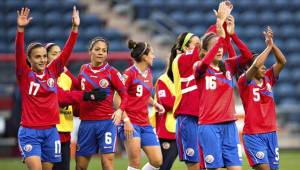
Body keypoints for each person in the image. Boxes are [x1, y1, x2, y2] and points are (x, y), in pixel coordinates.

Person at [15, 7, 79, 170]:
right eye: (38, 57)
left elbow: (65, 53)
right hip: (30, 132)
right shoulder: (25, 75)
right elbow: (18, 53)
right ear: (29, 59)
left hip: (51, 132)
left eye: (44, 56)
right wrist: (20, 30)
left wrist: (74, 29)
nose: (43, 60)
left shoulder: (52, 72)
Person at [193, 3, 252, 169]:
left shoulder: (228, 66)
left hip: (229, 126)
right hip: (209, 126)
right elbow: (205, 63)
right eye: (214, 48)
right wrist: (219, 35)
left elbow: (247, 57)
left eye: (220, 47)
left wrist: (232, 35)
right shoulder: (199, 68)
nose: (219, 50)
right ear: (204, 51)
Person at [45, 43, 106, 170]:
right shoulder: (45, 77)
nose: (58, 57)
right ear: (46, 58)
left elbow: (80, 89)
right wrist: (89, 95)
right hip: (50, 130)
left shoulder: (66, 77)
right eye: (54, 54)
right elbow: (63, 97)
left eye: (60, 53)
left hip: (65, 130)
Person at [75, 37, 128, 170]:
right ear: (90, 51)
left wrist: (120, 110)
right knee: (80, 166)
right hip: (86, 123)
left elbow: (125, 94)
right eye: (97, 49)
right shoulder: (83, 69)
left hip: (106, 123)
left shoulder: (112, 72)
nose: (100, 53)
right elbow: (77, 91)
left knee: (107, 163)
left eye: (104, 50)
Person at [238, 27, 286, 170]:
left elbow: (282, 62)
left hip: (271, 132)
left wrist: (273, 44)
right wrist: (268, 47)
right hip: (253, 134)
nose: (264, 67)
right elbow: (257, 63)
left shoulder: (268, 78)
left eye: (265, 66)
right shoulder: (244, 82)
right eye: (261, 66)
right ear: (249, 68)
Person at [118, 40, 163, 170]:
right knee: (135, 162)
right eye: (152, 54)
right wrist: (126, 121)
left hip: (145, 122)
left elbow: (142, 93)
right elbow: (116, 98)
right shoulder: (129, 73)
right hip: (130, 123)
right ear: (144, 56)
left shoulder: (148, 72)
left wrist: (154, 103)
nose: (154, 56)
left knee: (157, 161)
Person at [171, 31, 201, 170]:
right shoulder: (181, 59)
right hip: (187, 116)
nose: (200, 46)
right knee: (194, 163)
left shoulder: (197, 64)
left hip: (201, 117)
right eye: (196, 44)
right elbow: (208, 46)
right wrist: (218, 26)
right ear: (185, 47)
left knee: (205, 162)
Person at [149, 52, 177, 170]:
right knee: (164, 165)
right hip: (167, 130)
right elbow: (167, 103)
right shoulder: (163, 80)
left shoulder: (182, 81)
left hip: (181, 128)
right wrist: (185, 101)